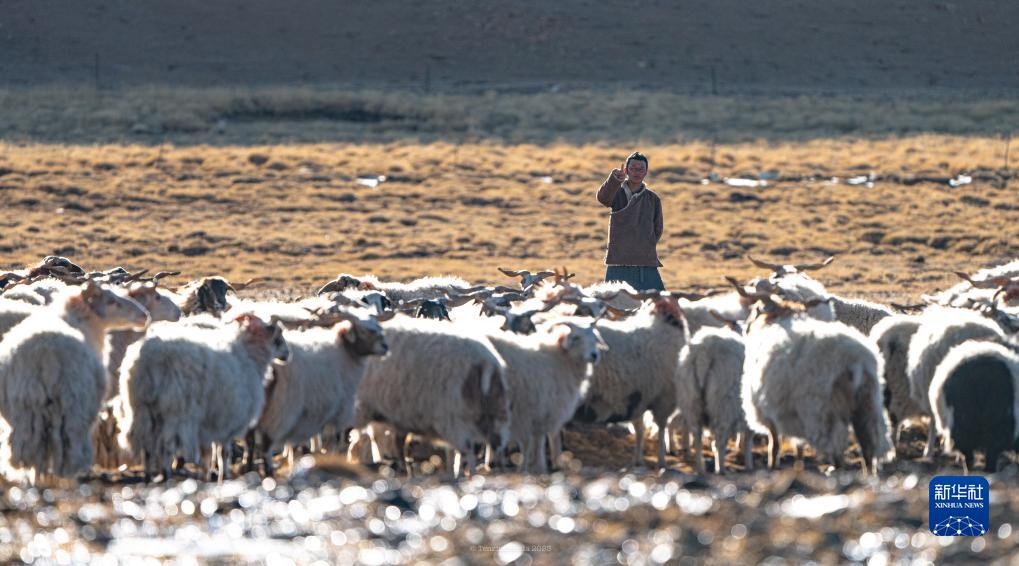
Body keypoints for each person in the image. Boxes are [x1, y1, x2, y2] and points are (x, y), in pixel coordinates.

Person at [595, 151, 665, 291]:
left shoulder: (653, 199)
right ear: (626, 170)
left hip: (646, 262)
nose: (636, 172)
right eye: (633, 169)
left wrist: (644, 244)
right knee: (613, 306)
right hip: (618, 261)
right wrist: (614, 180)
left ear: (646, 172)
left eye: (640, 169)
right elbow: (603, 198)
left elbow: (658, 229)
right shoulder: (616, 191)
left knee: (657, 305)